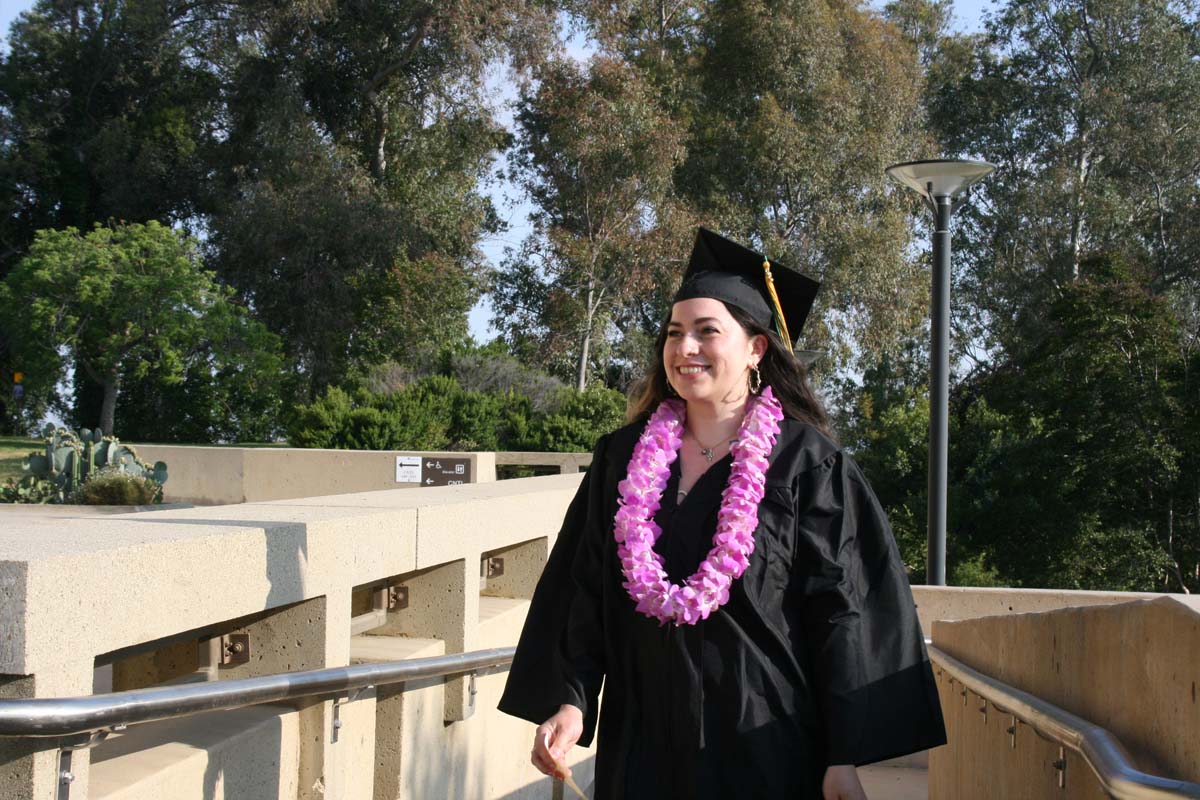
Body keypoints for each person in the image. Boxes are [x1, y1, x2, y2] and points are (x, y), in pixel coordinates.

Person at [498, 228, 946, 799]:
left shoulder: (808, 465)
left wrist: (843, 756)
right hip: (642, 742)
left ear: (756, 348)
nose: (685, 348)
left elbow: (842, 612)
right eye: (674, 333)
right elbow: (587, 588)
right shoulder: (622, 457)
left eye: (707, 332)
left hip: (766, 742)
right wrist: (573, 700)